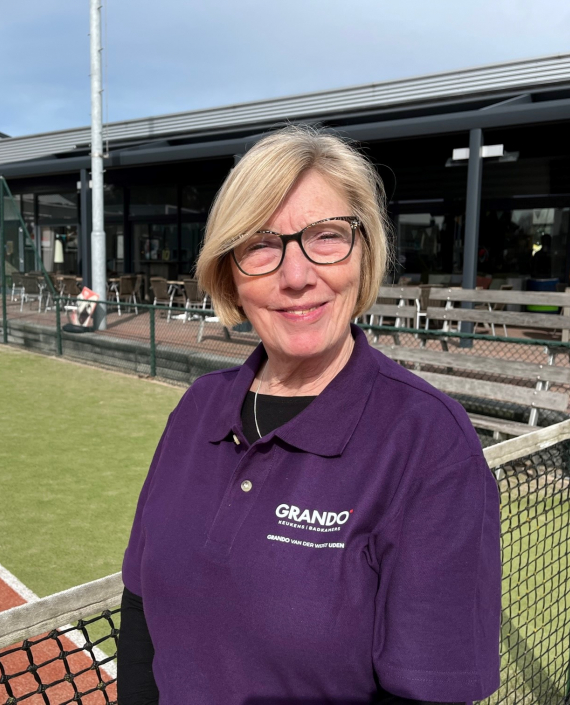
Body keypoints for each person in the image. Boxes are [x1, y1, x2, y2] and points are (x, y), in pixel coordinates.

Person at [118, 126, 501, 705]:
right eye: (260, 244)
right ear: (229, 273)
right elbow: (141, 611)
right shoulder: (197, 409)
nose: (296, 276)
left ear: (364, 254)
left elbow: (431, 692)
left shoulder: (429, 443)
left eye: (326, 236)